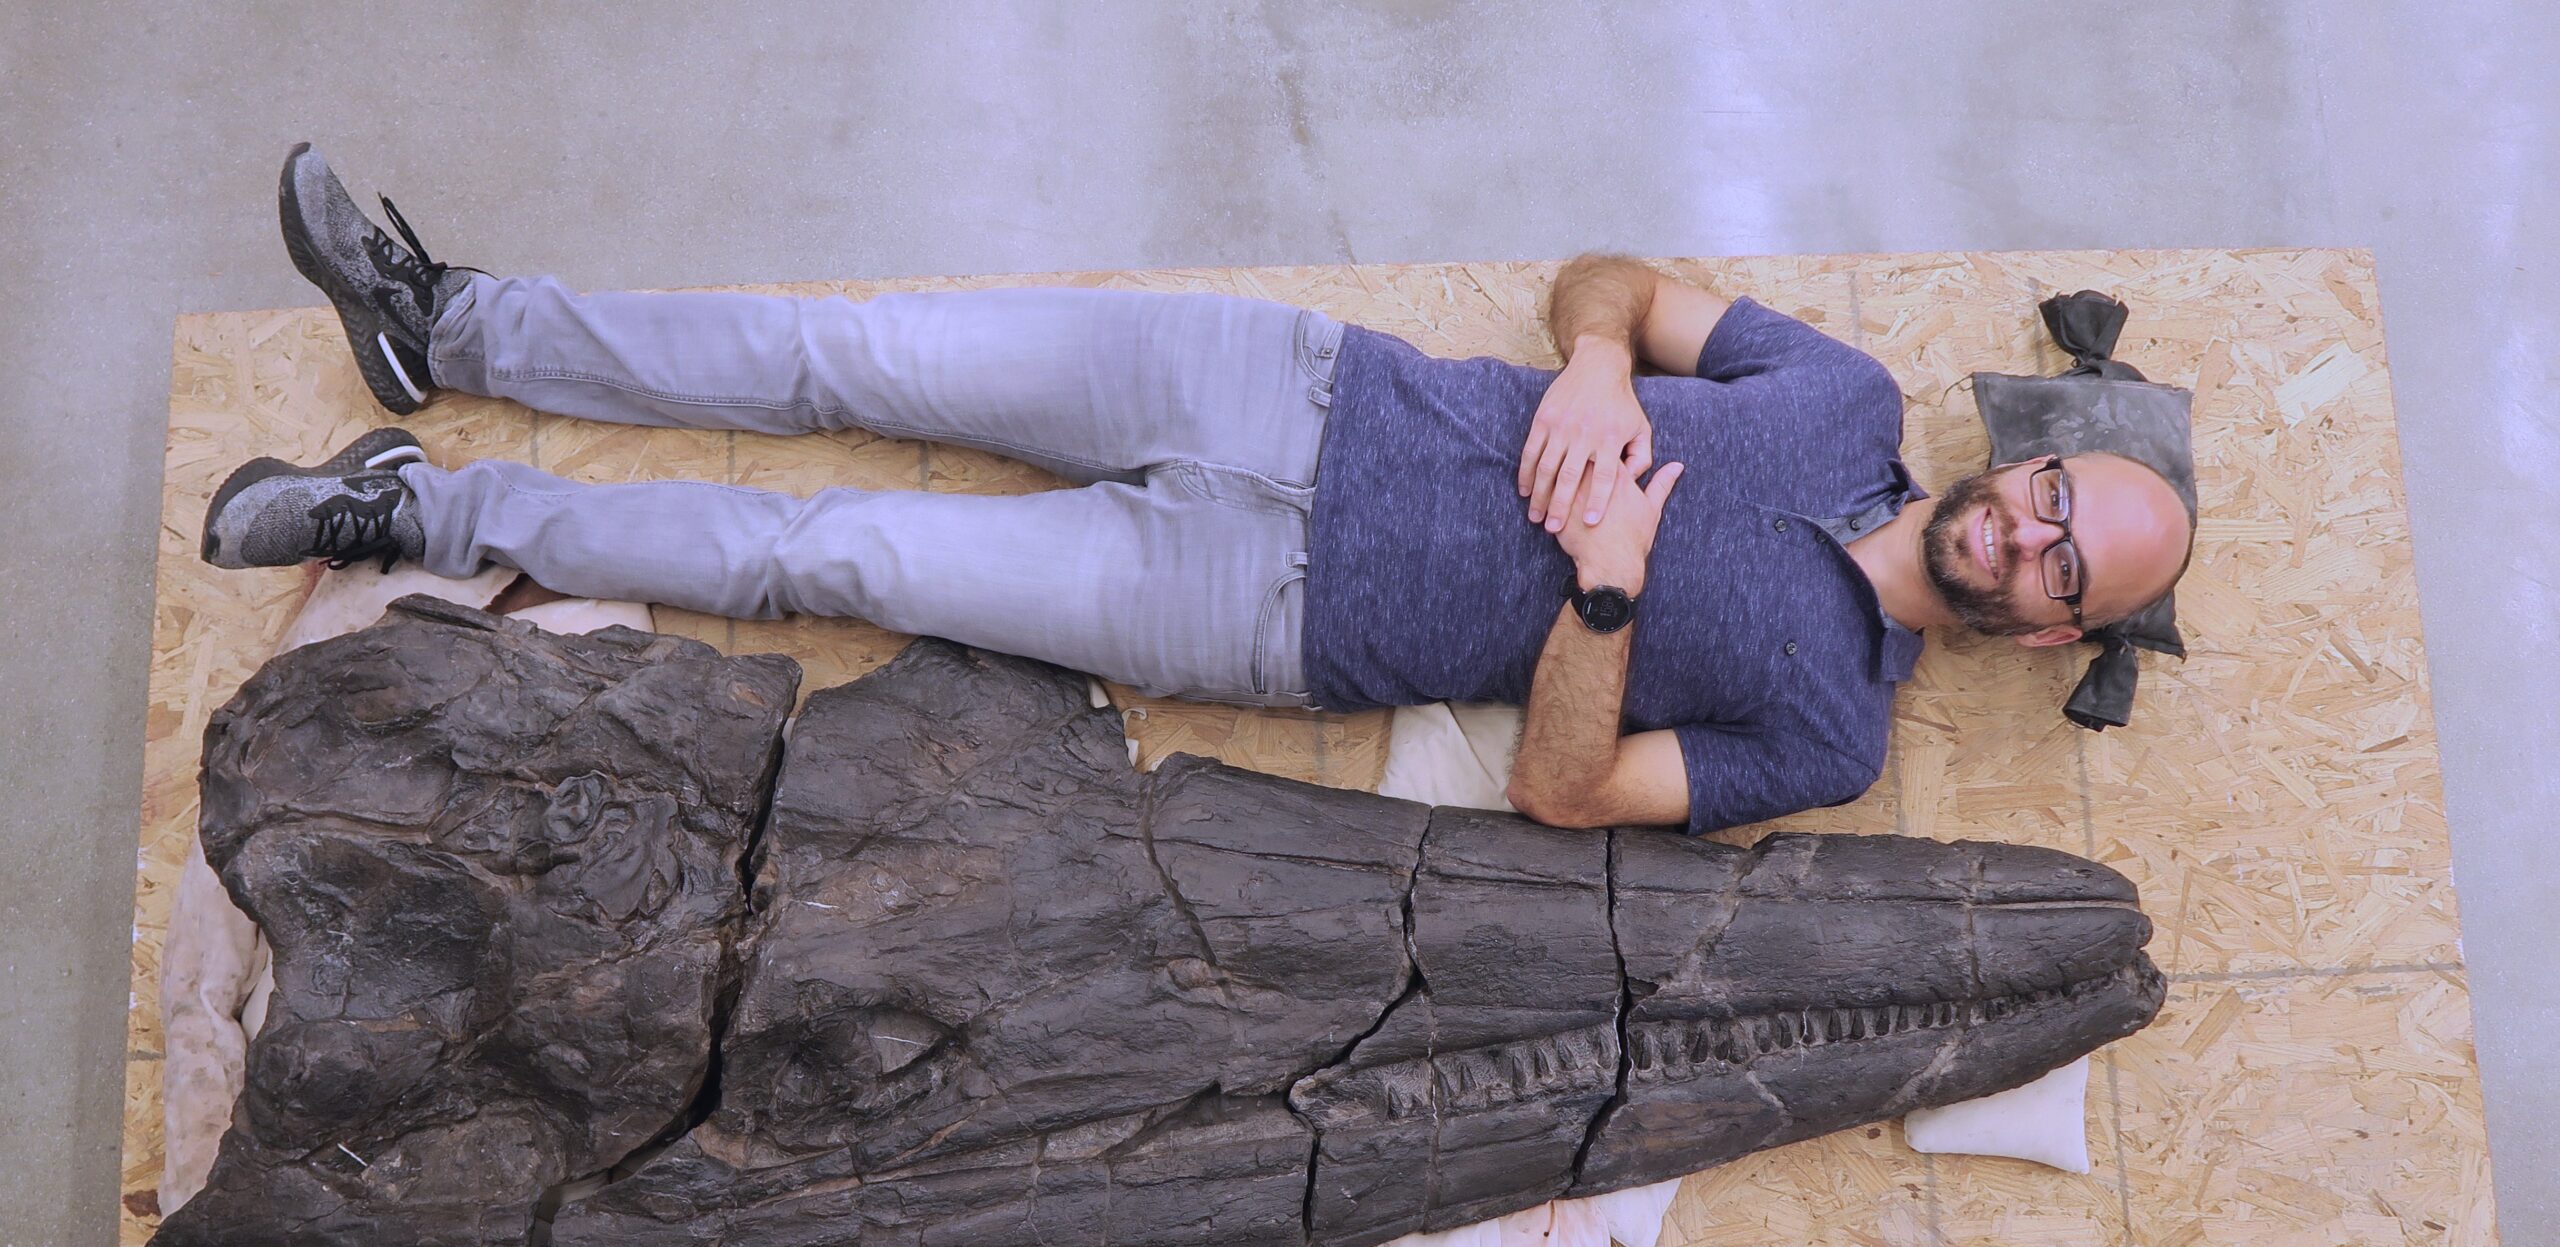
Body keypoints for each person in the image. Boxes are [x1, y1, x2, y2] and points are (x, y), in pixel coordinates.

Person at [204, 145, 2194, 836]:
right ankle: (444, 322)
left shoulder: (1831, 731)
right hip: (1278, 378)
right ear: (2024, 463)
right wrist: (1597, 359)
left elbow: (1567, 791)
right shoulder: (1832, 390)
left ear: (2059, 632)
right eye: (2048, 496)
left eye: (2062, 568)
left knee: (828, 551)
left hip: (1249, 611)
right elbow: (1605, 284)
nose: (2024, 532)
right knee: (846, 356)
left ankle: (416, 515)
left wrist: (1598, 594)